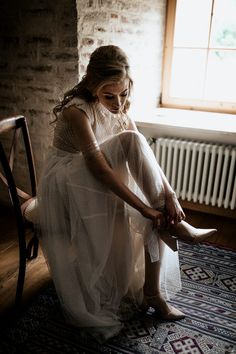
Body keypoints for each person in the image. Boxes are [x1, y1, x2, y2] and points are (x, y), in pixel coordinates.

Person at [38, 45, 217, 342]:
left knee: (154, 205)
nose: (118, 103)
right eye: (109, 96)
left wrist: (170, 195)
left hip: (99, 174)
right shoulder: (76, 111)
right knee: (146, 204)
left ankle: (153, 294)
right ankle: (172, 235)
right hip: (70, 181)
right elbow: (98, 167)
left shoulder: (120, 106)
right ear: (93, 85)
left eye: (123, 94)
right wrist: (142, 206)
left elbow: (142, 151)